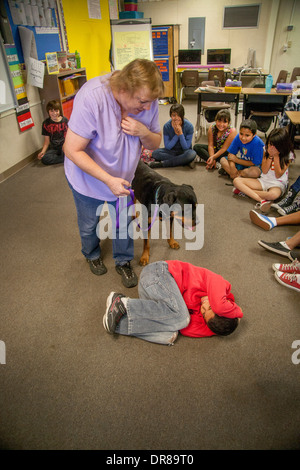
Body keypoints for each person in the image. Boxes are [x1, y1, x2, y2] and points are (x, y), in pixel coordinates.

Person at [63, 59, 164, 288]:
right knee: (90, 224)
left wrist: (143, 131)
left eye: (151, 102)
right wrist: (108, 179)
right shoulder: (93, 97)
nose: (148, 108)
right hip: (87, 180)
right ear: (123, 88)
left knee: (123, 223)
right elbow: (71, 149)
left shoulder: (146, 100)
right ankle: (91, 254)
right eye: (142, 101)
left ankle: (123, 261)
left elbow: (155, 143)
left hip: (123, 180)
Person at [103, 260, 243, 345]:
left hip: (153, 299)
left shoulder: (210, 320)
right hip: (158, 274)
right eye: (210, 307)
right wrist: (237, 314)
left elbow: (186, 330)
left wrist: (216, 329)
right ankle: (124, 303)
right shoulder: (219, 284)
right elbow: (219, 305)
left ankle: (117, 321)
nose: (203, 308)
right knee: (182, 318)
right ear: (225, 307)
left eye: (204, 312)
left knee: (170, 335)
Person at [233, 128, 292, 211]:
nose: (271, 147)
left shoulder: (289, 155)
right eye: (270, 144)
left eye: (275, 146)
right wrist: (270, 156)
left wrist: (276, 156)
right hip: (263, 180)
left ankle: (246, 192)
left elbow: (278, 174)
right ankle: (261, 200)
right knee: (236, 181)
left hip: (277, 183)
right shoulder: (266, 149)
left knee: (273, 195)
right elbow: (264, 170)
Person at [149, 103, 197, 169]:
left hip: (184, 151)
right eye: (174, 115)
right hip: (172, 151)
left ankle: (163, 164)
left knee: (192, 154)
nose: (176, 118)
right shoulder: (167, 126)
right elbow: (168, 147)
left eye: (179, 116)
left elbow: (186, 147)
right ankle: (184, 161)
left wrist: (180, 133)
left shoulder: (189, 126)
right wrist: (176, 135)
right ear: (171, 116)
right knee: (155, 153)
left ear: (182, 116)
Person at [38, 100, 68, 165]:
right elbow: (46, 141)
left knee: (67, 152)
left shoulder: (65, 120)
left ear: (59, 111)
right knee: (45, 159)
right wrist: (42, 152)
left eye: (56, 111)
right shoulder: (46, 123)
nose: (54, 113)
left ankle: (66, 157)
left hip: (64, 145)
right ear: (48, 112)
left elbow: (69, 136)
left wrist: (65, 146)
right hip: (54, 148)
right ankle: (65, 159)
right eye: (52, 111)